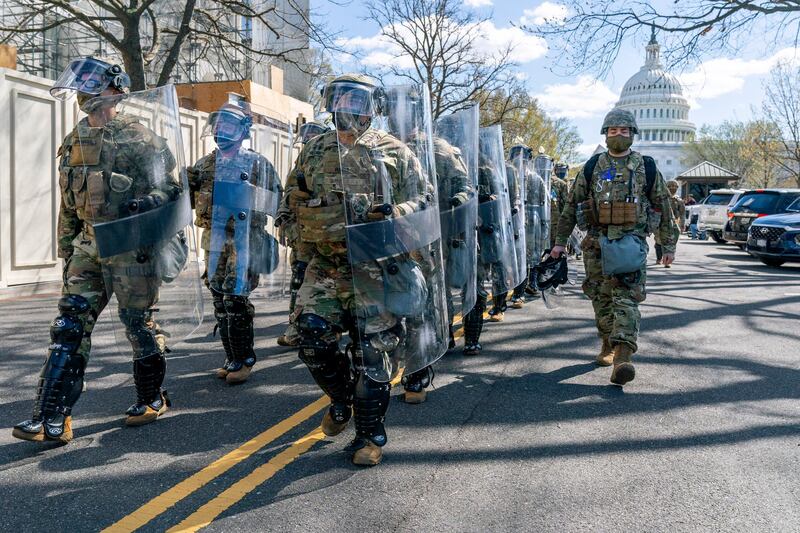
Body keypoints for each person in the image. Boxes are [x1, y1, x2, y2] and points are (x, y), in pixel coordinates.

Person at [13, 58, 184, 442]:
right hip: (88, 246)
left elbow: (171, 190)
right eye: (81, 85)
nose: (85, 92)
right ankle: (51, 418)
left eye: (94, 84)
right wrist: (66, 252)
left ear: (114, 89)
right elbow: (67, 203)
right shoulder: (74, 140)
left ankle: (152, 397)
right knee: (69, 325)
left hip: (130, 246)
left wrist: (144, 204)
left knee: (138, 324)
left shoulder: (139, 137)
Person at [285, 75, 446, 465]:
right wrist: (295, 228)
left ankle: (369, 436)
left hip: (378, 267)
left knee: (373, 352)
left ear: (373, 108)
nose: (349, 109)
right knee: (312, 337)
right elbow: (290, 197)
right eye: (341, 99)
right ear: (329, 104)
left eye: (358, 102)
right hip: (326, 264)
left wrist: (396, 212)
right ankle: (341, 400)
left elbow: (425, 200)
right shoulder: (314, 149)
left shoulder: (394, 152)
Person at [550, 108, 677, 386]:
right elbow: (571, 206)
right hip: (595, 245)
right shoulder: (592, 167)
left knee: (627, 298)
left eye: (624, 130)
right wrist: (560, 243)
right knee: (601, 298)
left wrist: (667, 244)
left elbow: (664, 207)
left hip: (630, 244)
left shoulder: (647, 166)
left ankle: (623, 357)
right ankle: (607, 343)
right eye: (613, 130)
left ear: (632, 134)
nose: (618, 135)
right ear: (605, 134)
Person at [187, 103, 283, 384]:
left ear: (242, 131)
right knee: (219, 298)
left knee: (236, 299)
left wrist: (248, 196)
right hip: (213, 240)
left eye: (227, 126)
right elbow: (187, 198)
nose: (220, 131)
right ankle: (231, 357)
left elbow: (277, 201)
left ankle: (244, 359)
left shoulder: (257, 163)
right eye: (217, 126)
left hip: (245, 240)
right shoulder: (205, 164)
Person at [276, 120, 331, 347]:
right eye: (307, 137)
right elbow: (288, 191)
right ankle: (295, 326)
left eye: (314, 136)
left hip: (328, 234)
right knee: (299, 278)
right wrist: (282, 218)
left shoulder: (337, 159)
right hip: (302, 235)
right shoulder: (303, 161)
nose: (309, 141)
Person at [655, 181, 684, 267]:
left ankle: (667, 261)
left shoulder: (679, 200)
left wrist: (682, 225)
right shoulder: (661, 198)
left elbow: (682, 213)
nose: (672, 188)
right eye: (670, 186)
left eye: (675, 186)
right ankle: (659, 258)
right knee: (659, 241)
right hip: (662, 223)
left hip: (674, 224)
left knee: (671, 242)